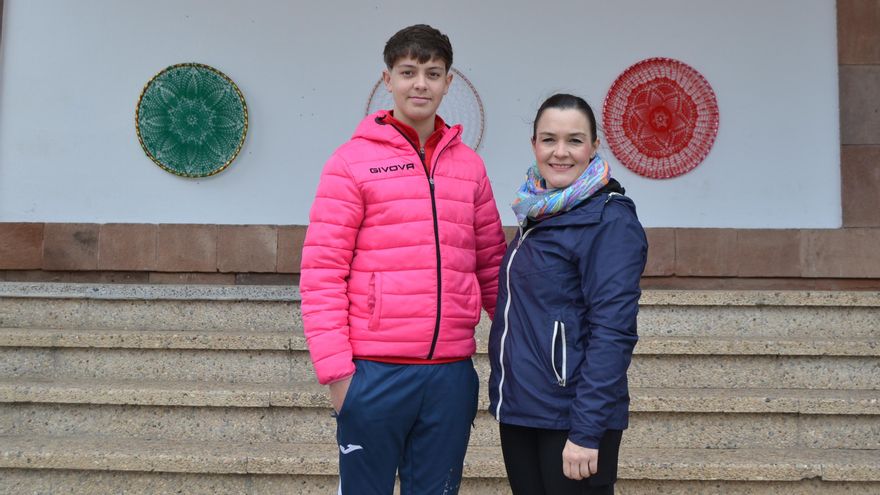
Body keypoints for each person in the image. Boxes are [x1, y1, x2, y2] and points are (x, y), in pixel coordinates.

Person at [300, 24, 506, 495]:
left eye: (433, 73)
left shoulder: (469, 167)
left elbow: (492, 265)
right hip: (374, 372)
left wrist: (513, 350)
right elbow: (322, 272)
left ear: (448, 82)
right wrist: (338, 376)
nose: (421, 84)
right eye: (409, 71)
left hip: (450, 374)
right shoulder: (350, 162)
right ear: (388, 79)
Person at [487, 93, 648, 495]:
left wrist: (587, 430)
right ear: (534, 146)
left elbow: (613, 333)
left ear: (594, 146)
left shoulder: (609, 219)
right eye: (549, 140)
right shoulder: (537, 211)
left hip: (573, 418)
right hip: (524, 409)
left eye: (574, 140)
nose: (561, 152)